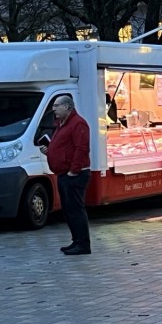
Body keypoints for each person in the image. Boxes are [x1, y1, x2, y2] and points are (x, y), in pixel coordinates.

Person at [41, 95, 92, 255]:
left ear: (68, 107)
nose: (53, 109)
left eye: (57, 106)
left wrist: (73, 171)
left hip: (74, 175)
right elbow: (65, 147)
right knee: (69, 210)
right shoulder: (61, 125)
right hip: (63, 173)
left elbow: (81, 148)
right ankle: (76, 241)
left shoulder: (78, 123)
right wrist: (50, 151)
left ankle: (83, 244)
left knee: (75, 210)